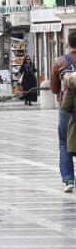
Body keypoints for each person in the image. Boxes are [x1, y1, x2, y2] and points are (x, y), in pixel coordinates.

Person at [54, 31, 76, 191]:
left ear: (68, 44)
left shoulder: (60, 62)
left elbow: (54, 88)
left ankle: (69, 180)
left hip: (67, 107)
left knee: (63, 141)